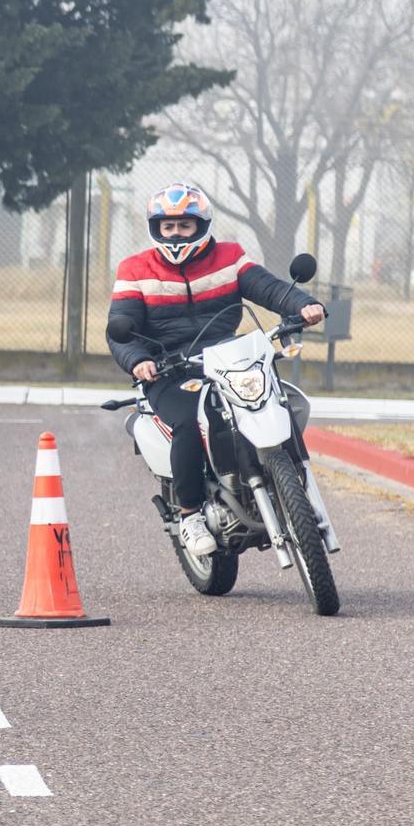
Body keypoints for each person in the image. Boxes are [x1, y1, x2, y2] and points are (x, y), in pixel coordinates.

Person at [106, 182, 325, 558]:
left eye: (184, 226)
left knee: (276, 398)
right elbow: (121, 327)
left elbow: (271, 289)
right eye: (168, 226)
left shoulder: (229, 257)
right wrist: (139, 360)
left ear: (201, 225)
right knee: (189, 422)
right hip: (169, 369)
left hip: (227, 359)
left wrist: (304, 305)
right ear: (156, 228)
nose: (176, 233)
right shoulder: (135, 269)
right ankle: (190, 514)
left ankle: (293, 484)